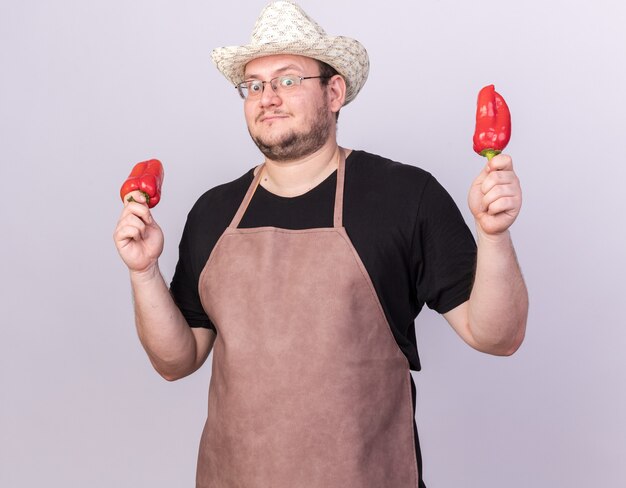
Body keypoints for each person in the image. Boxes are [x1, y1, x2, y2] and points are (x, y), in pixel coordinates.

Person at [113, 1, 528, 487]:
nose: (268, 96)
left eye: (288, 80)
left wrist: (494, 236)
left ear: (334, 91)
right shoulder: (214, 212)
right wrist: (143, 272)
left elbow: (497, 336)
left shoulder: (405, 196)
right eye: (254, 85)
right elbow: (176, 361)